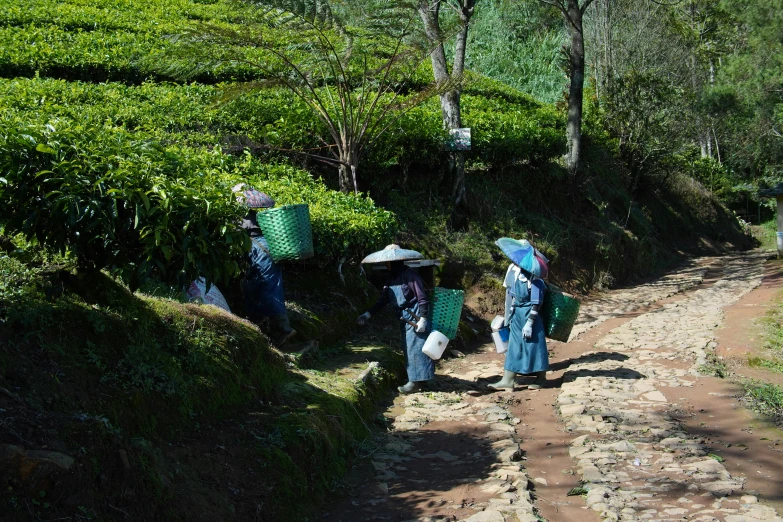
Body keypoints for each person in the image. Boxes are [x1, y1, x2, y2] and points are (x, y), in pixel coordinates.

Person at [356, 246, 432, 394]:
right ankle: (419, 380)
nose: (386, 264)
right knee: (409, 349)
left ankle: (415, 383)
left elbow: (422, 298)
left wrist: (423, 318)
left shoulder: (410, 276)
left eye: (388, 262)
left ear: (395, 261)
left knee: (415, 349)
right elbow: (383, 300)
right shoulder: (391, 278)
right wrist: (367, 314)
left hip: (415, 316)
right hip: (404, 317)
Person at [236, 185, 297, 346]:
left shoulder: (242, 218)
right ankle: (260, 323)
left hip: (261, 254)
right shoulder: (256, 216)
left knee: (266, 288)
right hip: (270, 251)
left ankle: (284, 329)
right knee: (259, 287)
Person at [488, 262, 548, 390]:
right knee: (514, 346)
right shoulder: (516, 275)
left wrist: (530, 323)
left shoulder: (537, 281)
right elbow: (513, 298)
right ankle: (507, 380)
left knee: (534, 346)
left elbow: (536, 304)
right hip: (517, 316)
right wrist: (509, 315)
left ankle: (541, 379)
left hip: (531, 316)